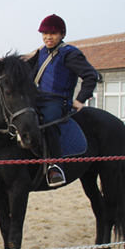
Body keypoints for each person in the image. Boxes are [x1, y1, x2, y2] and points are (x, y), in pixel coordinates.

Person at [35, 14, 98, 187]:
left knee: (48, 122)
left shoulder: (69, 53)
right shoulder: (40, 53)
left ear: (62, 34)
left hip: (57, 101)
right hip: (37, 99)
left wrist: (80, 99)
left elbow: (91, 75)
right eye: (45, 33)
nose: (48, 37)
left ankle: (55, 166)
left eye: (53, 33)